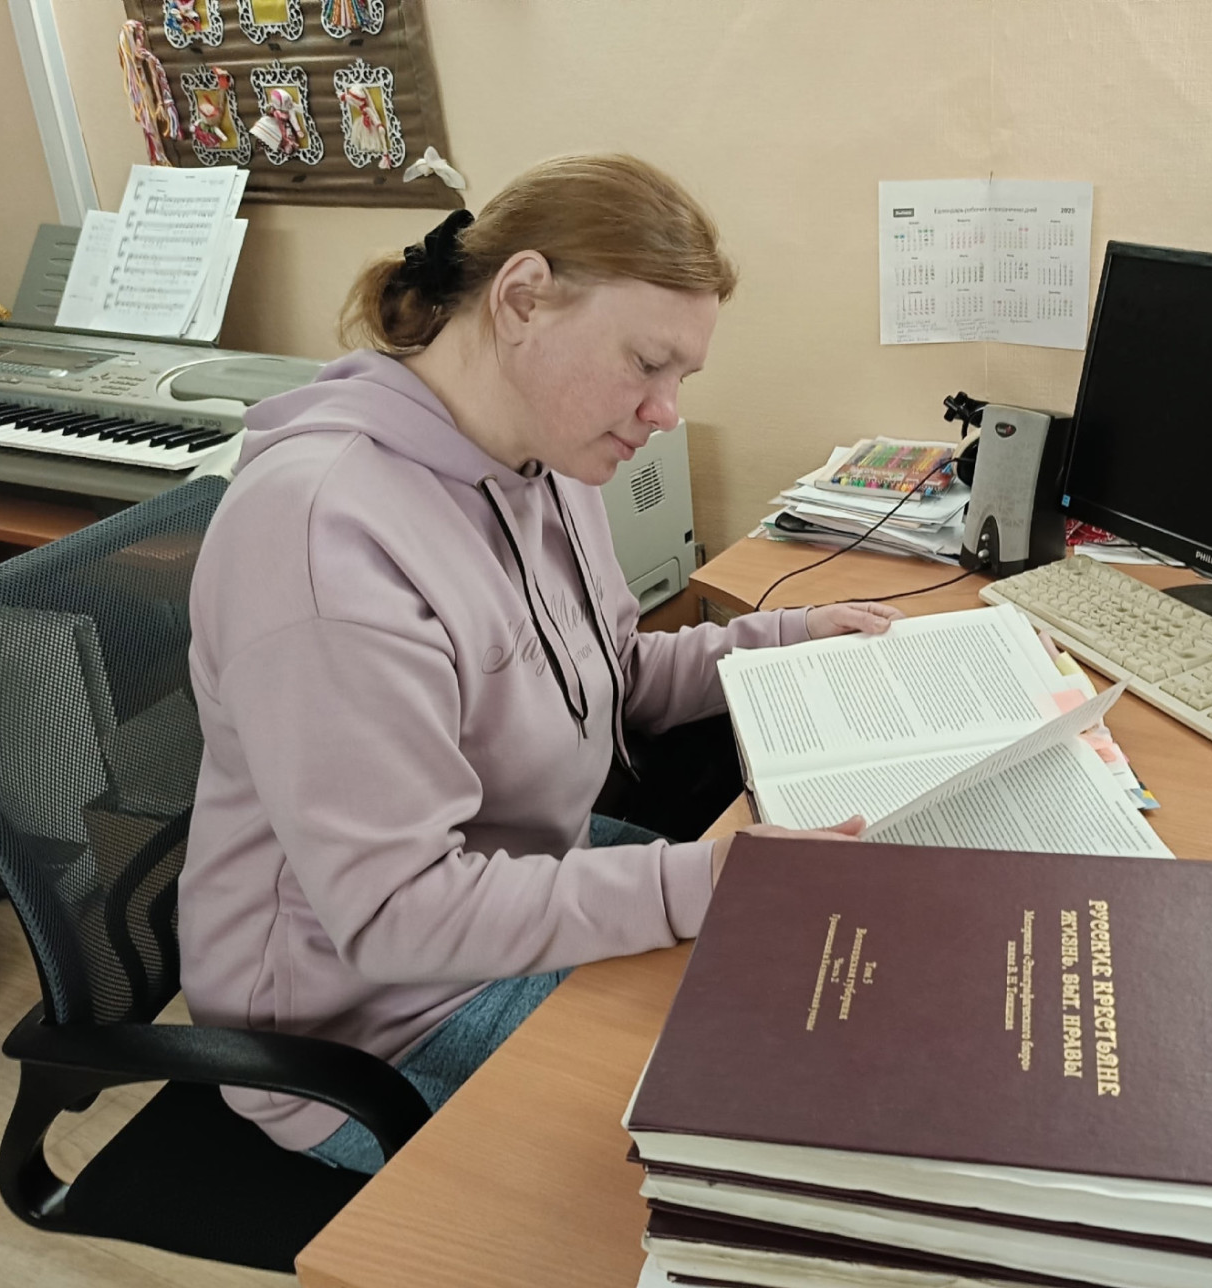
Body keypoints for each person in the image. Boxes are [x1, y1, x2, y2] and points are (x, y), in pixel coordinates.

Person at [179, 153, 898, 1173]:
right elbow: (396, 915)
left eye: (680, 379)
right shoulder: (324, 532)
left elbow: (608, 675)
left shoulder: (540, 461)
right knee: (773, 1117)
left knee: (830, 996)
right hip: (372, 1021)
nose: (665, 411)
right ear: (521, 298)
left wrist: (787, 640)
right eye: (646, 363)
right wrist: (699, 882)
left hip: (514, 885)